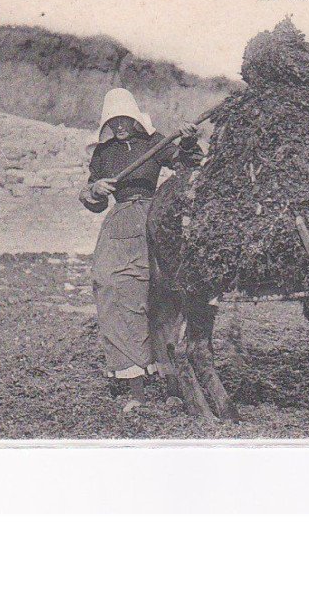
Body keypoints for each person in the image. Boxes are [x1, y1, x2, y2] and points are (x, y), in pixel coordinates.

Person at [79, 88, 202, 412]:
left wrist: (188, 141)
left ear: (135, 118)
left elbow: (187, 165)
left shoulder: (154, 142)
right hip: (120, 224)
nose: (120, 126)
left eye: (124, 119)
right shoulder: (103, 154)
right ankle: (136, 387)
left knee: (166, 295)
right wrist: (96, 189)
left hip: (156, 216)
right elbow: (93, 200)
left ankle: (174, 384)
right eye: (113, 121)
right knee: (112, 286)